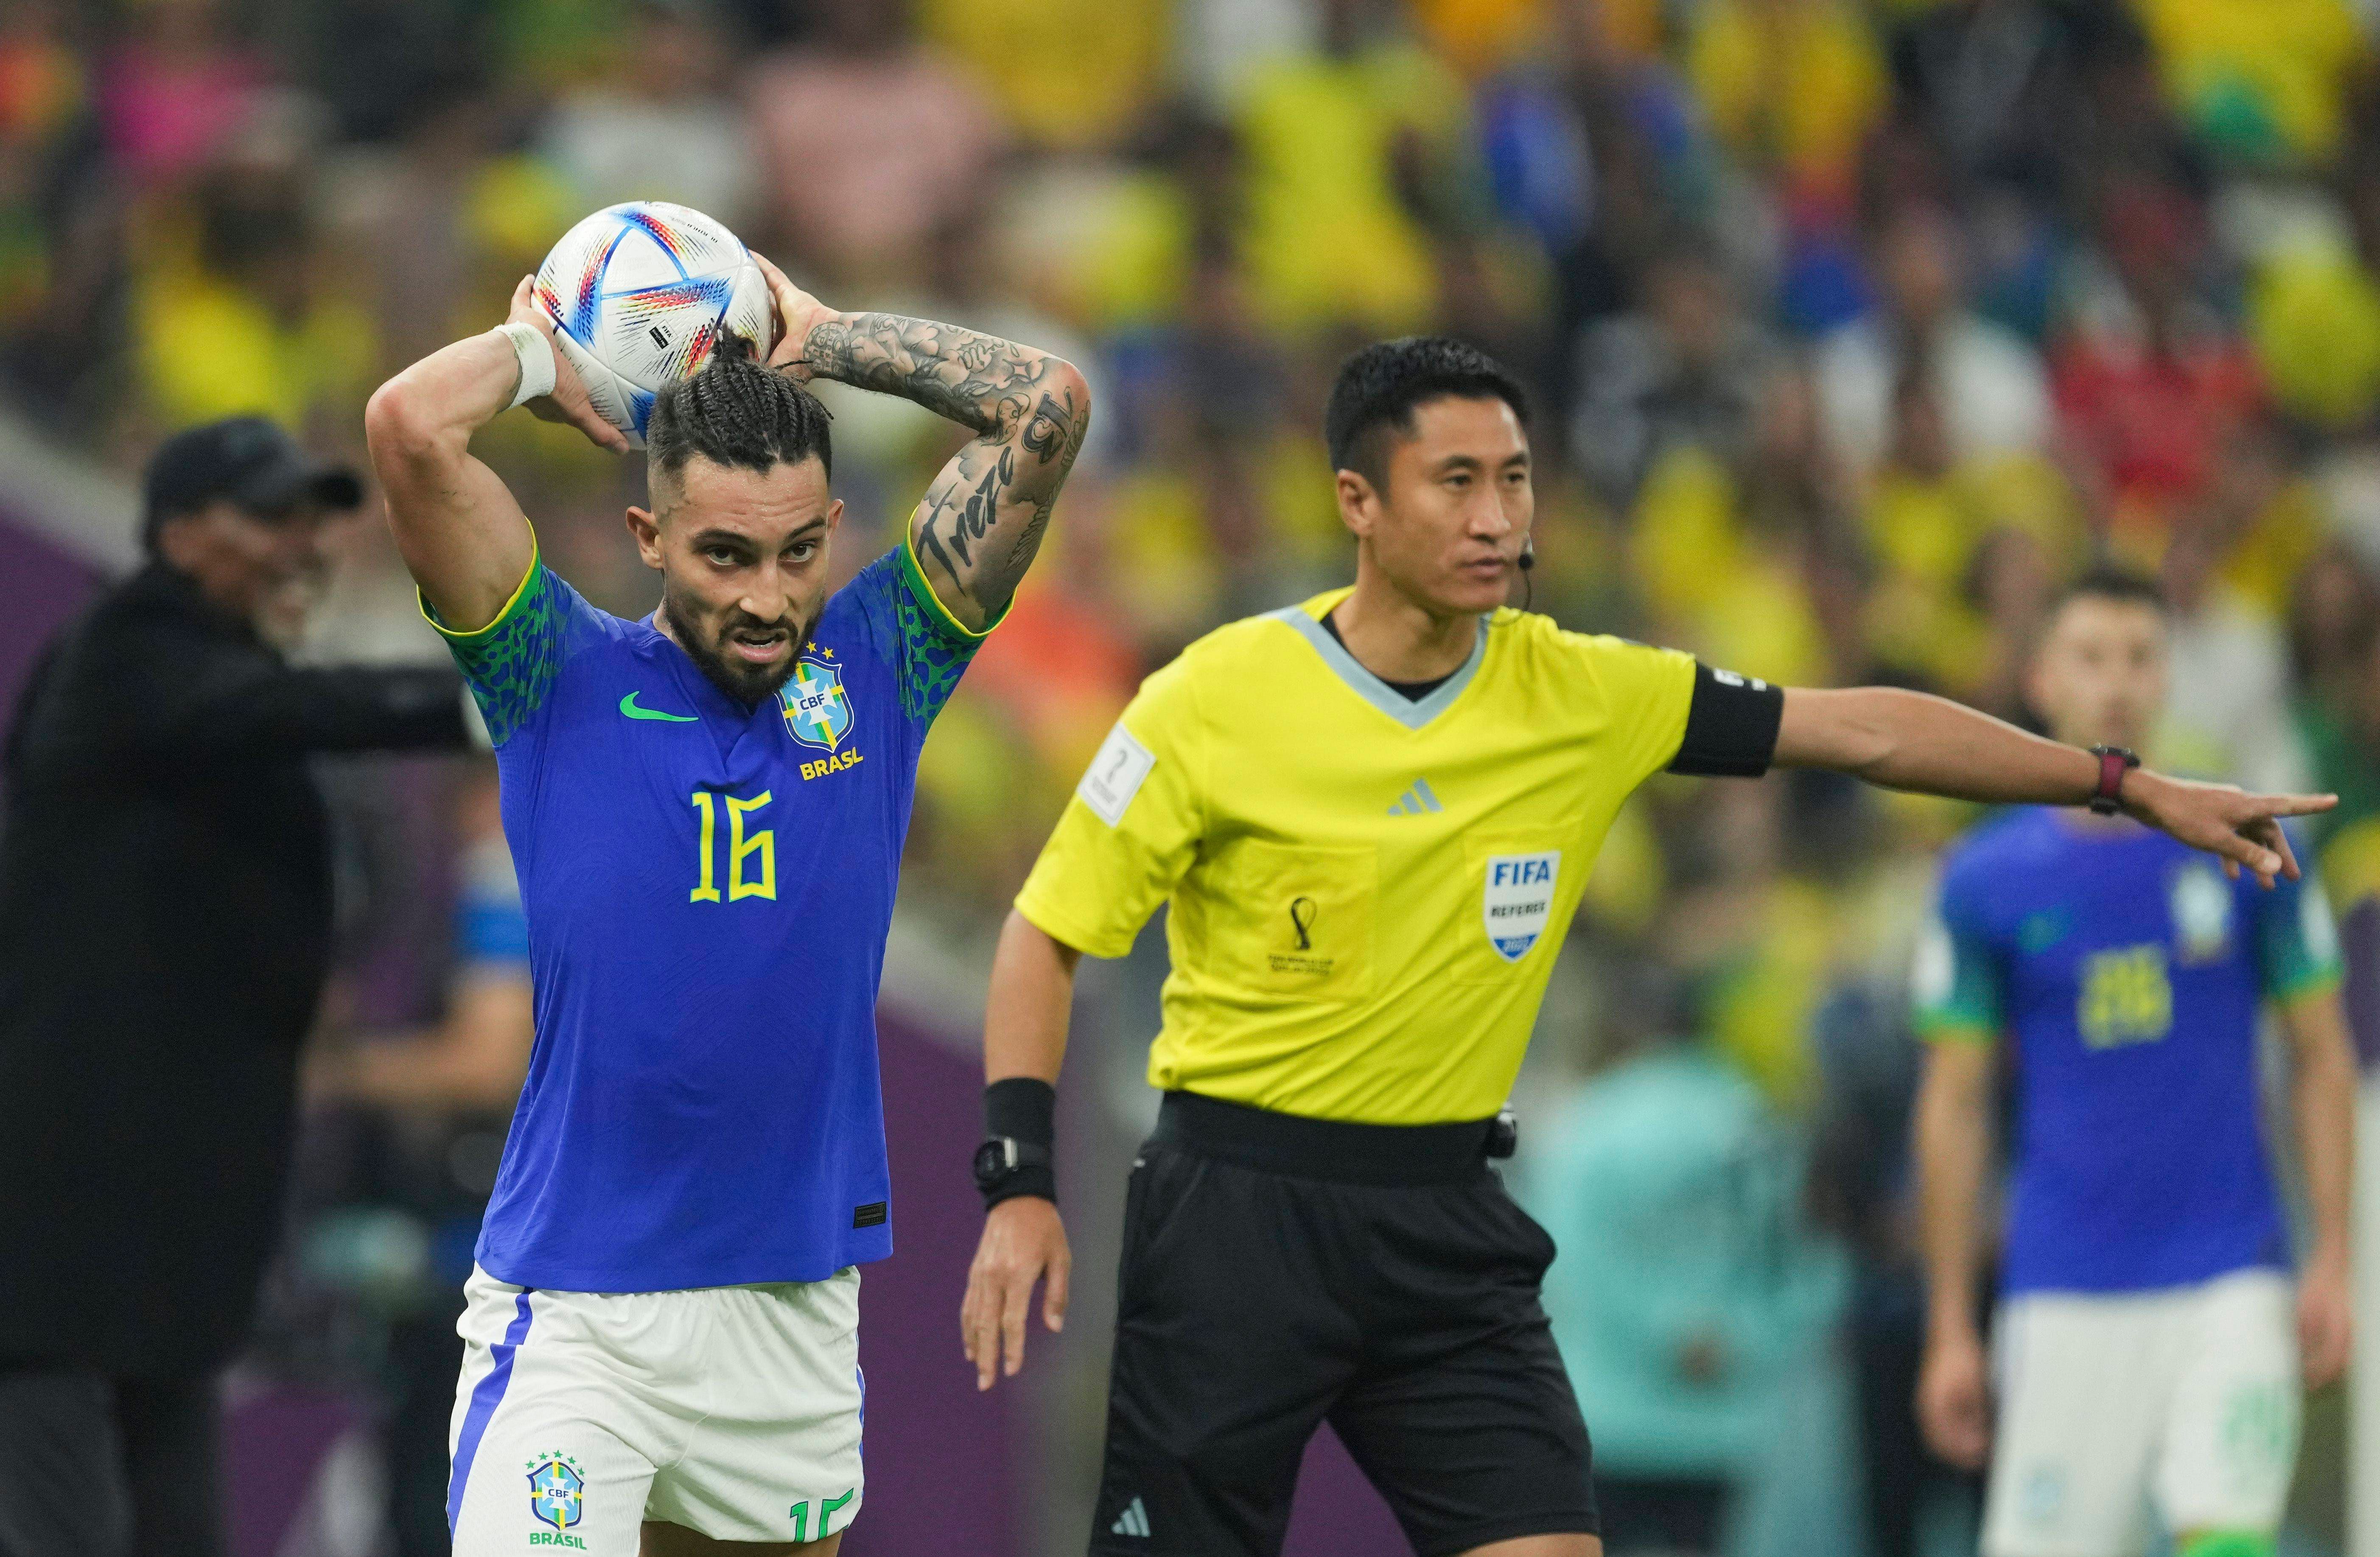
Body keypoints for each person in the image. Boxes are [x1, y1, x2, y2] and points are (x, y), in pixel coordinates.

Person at [958, 337, 2331, 1557]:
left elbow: (1860, 729)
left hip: (1444, 1221)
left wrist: (2121, 782)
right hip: (1239, 1214)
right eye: (1456, 482)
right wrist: (1018, 1180)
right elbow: (1046, 932)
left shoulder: (1582, 690)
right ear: (1358, 502)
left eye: (1516, 479)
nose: (1497, 518)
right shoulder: (1213, 698)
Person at [363, 253, 1086, 1555]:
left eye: (800, 551)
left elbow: (1045, 405)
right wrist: (542, 353)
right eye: (725, 554)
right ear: (650, 538)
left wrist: (828, 338)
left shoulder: (882, 664)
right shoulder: (551, 672)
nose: (768, 595)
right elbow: (410, 426)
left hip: (789, 1313)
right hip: (579, 1315)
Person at [0, 415, 477, 1557]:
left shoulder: (217, 686)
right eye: (269, 518)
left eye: (313, 519)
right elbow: (295, 709)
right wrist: (505, 684)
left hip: (167, 1224)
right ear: (178, 533)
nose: (303, 544)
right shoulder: (126, 650)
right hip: (56, 1222)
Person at [1911, 569, 2357, 1557]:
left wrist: (2333, 1253)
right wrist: (1951, 1323)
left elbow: (2322, 1054)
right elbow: (1954, 1103)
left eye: (2140, 657)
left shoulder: (2246, 842)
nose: (2116, 682)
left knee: (2229, 1539)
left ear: (2167, 678)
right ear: (2040, 678)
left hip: (2232, 1275)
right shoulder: (1983, 878)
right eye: (2091, 656)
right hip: (2063, 1288)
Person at [305, 762, 535, 1557]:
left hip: (495, 1276)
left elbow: (488, 1061)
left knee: (444, 1512)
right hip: (511, 1269)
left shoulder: (506, 878)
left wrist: (335, 1071)